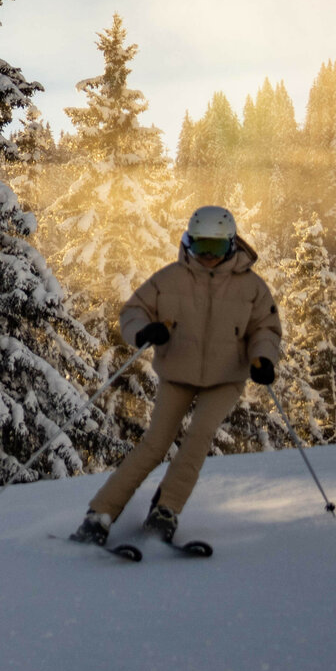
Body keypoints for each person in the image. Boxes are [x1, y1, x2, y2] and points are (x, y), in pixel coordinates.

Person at [71, 205, 283, 546]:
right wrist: (144, 331)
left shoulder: (251, 287)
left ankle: (165, 510)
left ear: (231, 244)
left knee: (198, 438)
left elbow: (265, 328)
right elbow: (134, 311)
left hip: (225, 377)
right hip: (178, 372)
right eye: (201, 246)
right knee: (155, 444)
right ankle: (100, 514)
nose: (208, 256)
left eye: (216, 247)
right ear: (189, 242)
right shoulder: (170, 278)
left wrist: (263, 358)